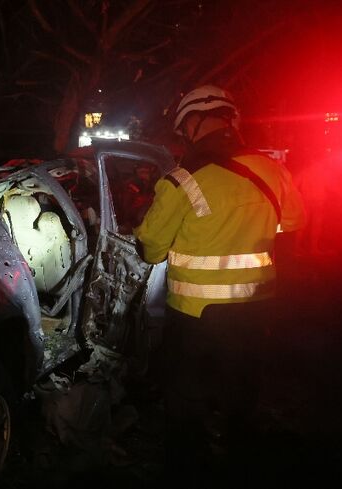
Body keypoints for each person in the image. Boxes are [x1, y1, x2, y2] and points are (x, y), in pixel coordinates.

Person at [133, 85, 306, 484]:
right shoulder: (273, 171)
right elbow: (294, 225)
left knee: (184, 405)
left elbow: (151, 249)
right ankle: (241, 462)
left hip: (195, 319)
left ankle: (189, 471)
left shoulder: (181, 180)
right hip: (257, 308)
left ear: (190, 126)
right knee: (241, 395)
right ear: (231, 119)